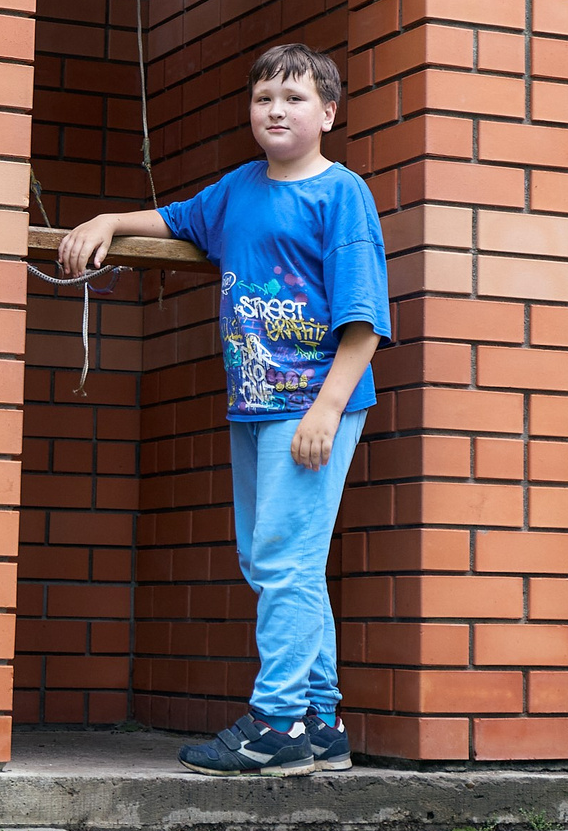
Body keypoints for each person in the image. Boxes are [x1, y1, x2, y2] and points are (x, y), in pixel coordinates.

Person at [57, 43, 389, 777]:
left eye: (295, 98)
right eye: (265, 96)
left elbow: (364, 320)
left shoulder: (342, 194)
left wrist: (327, 411)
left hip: (312, 402)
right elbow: (174, 217)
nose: (277, 108)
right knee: (274, 560)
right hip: (253, 404)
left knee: (284, 560)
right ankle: (321, 719)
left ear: (328, 113)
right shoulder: (239, 189)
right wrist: (112, 219)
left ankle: (275, 726)